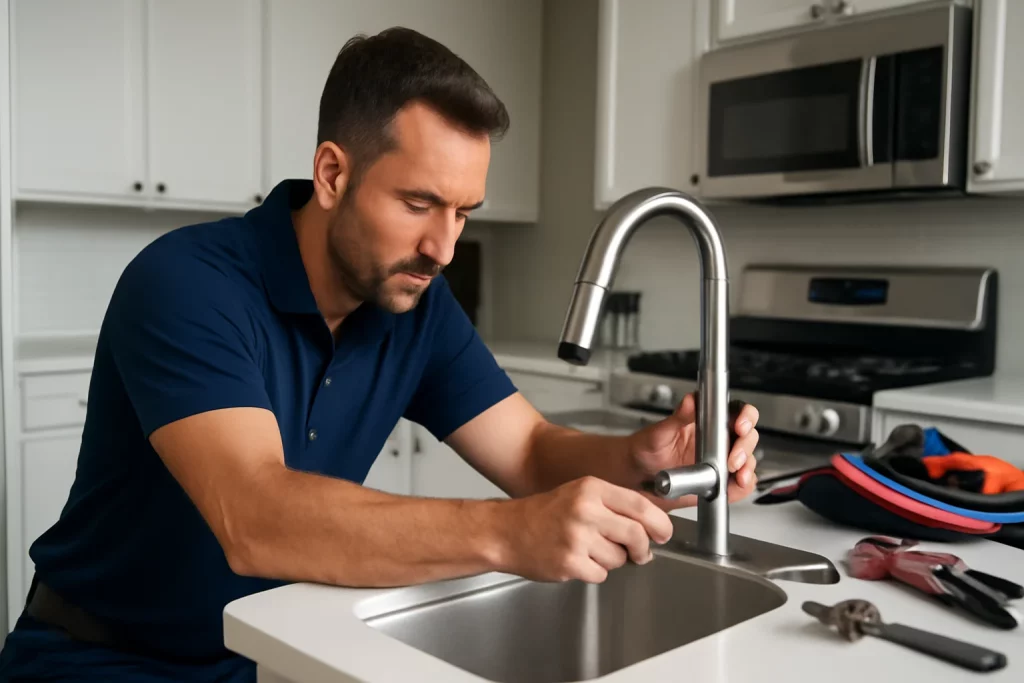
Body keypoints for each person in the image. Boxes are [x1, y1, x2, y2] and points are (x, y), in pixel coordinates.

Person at [0, 26, 760, 682]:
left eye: (464, 211)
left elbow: (529, 449)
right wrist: (508, 531)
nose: (444, 247)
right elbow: (255, 516)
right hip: (97, 659)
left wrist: (641, 453)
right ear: (333, 173)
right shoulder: (186, 284)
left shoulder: (415, 306)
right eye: (419, 203)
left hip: (266, 654)